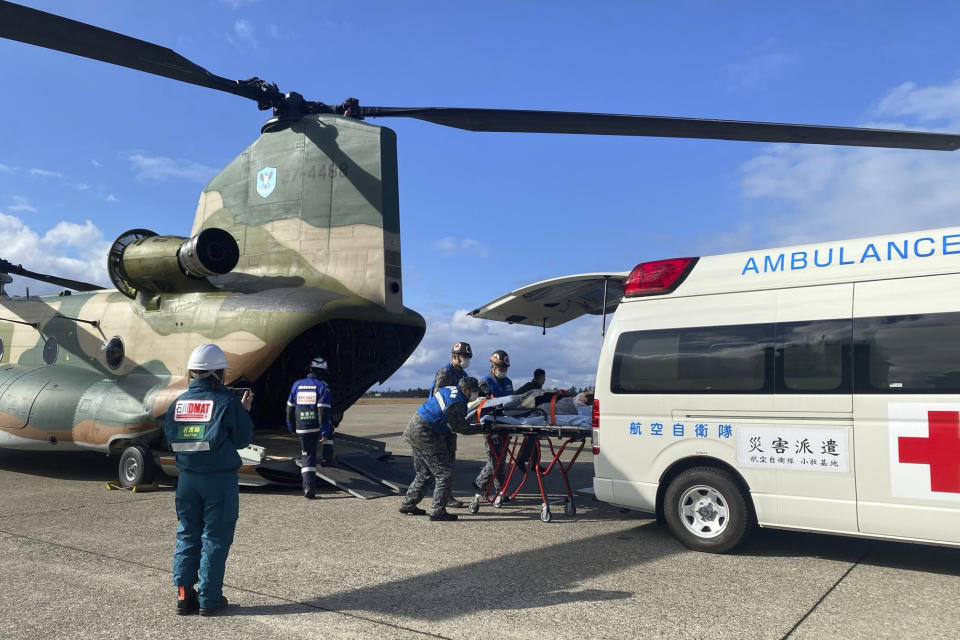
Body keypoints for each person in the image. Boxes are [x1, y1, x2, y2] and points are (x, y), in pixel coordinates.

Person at [165, 343, 254, 617]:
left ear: (193, 373)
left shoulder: (177, 403)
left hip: (186, 481)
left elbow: (170, 437)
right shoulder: (227, 403)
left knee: (187, 534)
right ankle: (209, 599)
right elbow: (242, 439)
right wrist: (243, 411)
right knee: (215, 537)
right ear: (218, 374)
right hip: (218, 481)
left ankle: (183, 596)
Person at [399, 376, 480, 521]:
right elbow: (461, 428)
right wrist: (483, 428)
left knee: (424, 473)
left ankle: (408, 504)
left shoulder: (451, 389)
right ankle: (438, 511)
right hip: (426, 433)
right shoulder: (458, 402)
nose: (475, 394)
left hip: (413, 428)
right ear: (465, 390)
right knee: (445, 473)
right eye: (473, 391)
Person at [430, 341, 473, 509]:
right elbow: (439, 398)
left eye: (468, 358)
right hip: (440, 423)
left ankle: (446, 496)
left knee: (450, 460)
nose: (466, 360)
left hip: (451, 424)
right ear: (454, 356)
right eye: (464, 357)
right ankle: (442, 499)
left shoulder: (462, 375)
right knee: (442, 464)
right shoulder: (445, 373)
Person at [286, 357, 334, 499]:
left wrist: (291, 426)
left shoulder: (297, 385)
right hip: (315, 426)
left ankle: (308, 488)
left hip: (302, 426)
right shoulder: (323, 386)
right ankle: (328, 460)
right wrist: (324, 431)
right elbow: (323, 411)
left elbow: (289, 408)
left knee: (308, 456)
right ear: (322, 372)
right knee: (331, 430)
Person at [475, 350, 514, 494]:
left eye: (505, 368)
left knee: (502, 459)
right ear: (493, 367)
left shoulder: (508, 383)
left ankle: (501, 489)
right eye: (501, 368)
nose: (503, 371)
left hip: (506, 424)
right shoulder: (484, 382)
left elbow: (512, 401)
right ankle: (480, 484)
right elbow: (480, 405)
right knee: (494, 460)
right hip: (491, 426)